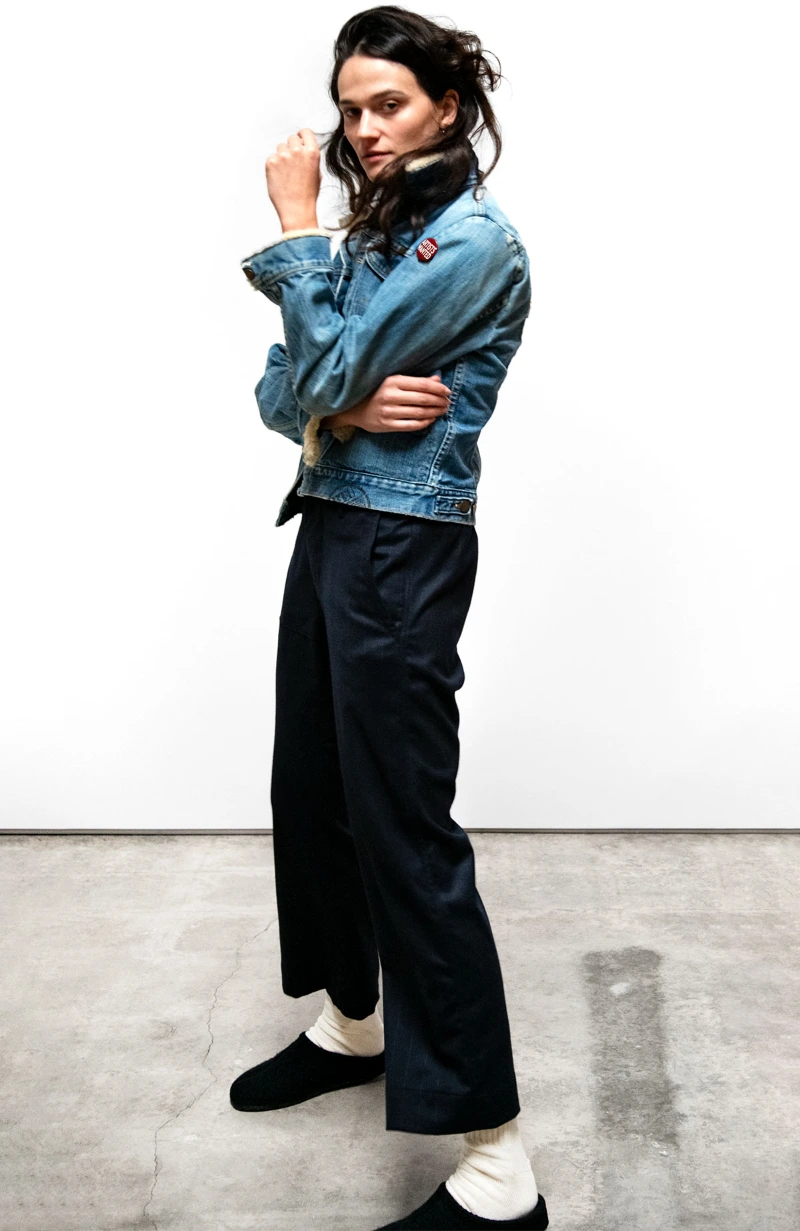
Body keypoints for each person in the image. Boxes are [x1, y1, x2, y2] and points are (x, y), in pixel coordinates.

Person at [232, 7, 548, 1228]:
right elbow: (279, 394)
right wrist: (345, 406)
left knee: (405, 830)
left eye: (387, 106)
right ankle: (354, 1023)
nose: (361, 129)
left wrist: (293, 232)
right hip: (330, 521)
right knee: (310, 789)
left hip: (400, 547)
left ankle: (497, 1166)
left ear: (446, 108)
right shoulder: (377, 228)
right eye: (349, 108)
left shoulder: (469, 242)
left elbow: (307, 371)